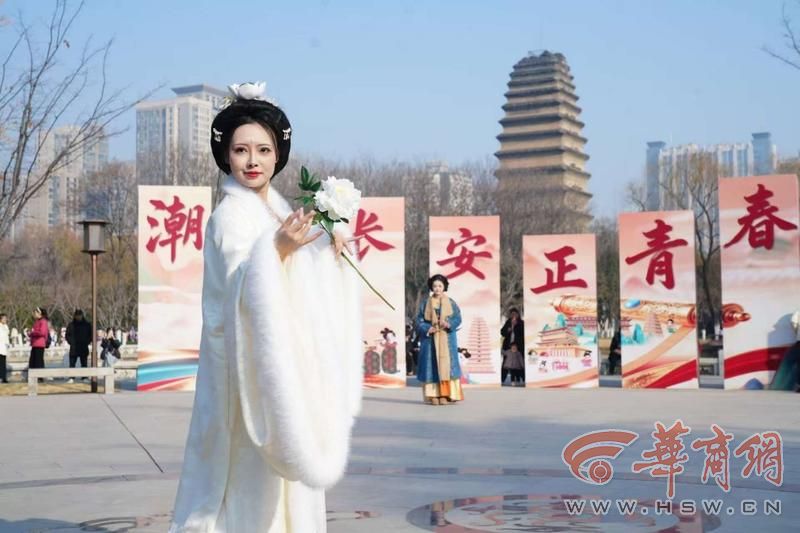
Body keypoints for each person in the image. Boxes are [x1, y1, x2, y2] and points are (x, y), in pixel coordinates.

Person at [169, 82, 362, 533]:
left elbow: (299, 282)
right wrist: (275, 251)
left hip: (284, 365)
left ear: (278, 156)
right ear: (226, 156)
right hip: (245, 373)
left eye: (263, 150)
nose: (252, 161)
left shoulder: (277, 212)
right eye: (241, 150)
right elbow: (241, 289)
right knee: (249, 478)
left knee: (289, 477)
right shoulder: (229, 217)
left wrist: (329, 252)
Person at [416, 274, 463, 405]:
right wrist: (427, 328)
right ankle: (433, 396)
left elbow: (458, 318)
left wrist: (449, 324)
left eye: (440, 286)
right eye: (435, 286)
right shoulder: (425, 303)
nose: (437, 288)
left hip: (447, 339)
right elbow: (419, 321)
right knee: (432, 367)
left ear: (444, 287)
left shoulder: (451, 303)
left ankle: (446, 395)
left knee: (447, 367)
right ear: (431, 287)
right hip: (430, 340)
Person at [501, 307, 525, 386]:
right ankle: (502, 380)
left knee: (519, 363)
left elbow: (523, 334)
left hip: (518, 347)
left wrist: (516, 325)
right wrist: (509, 329)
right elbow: (502, 332)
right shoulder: (508, 322)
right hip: (508, 346)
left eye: (515, 314)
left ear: (518, 315)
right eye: (512, 314)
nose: (514, 315)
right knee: (505, 363)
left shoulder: (521, 323)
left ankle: (522, 379)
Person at [28, 307, 49, 380]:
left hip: (39, 344)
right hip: (35, 343)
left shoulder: (43, 321)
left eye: (35, 313)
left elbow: (42, 332)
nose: (34, 314)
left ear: (39, 313)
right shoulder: (37, 321)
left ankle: (40, 377)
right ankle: (33, 377)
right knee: (33, 361)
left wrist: (33, 333)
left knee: (38, 361)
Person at [0, 313, 9, 383]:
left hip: (4, 347)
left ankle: (3, 377)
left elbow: (6, 336)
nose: (5, 319)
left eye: (6, 318)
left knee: (3, 363)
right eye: (4, 318)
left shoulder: (5, 326)